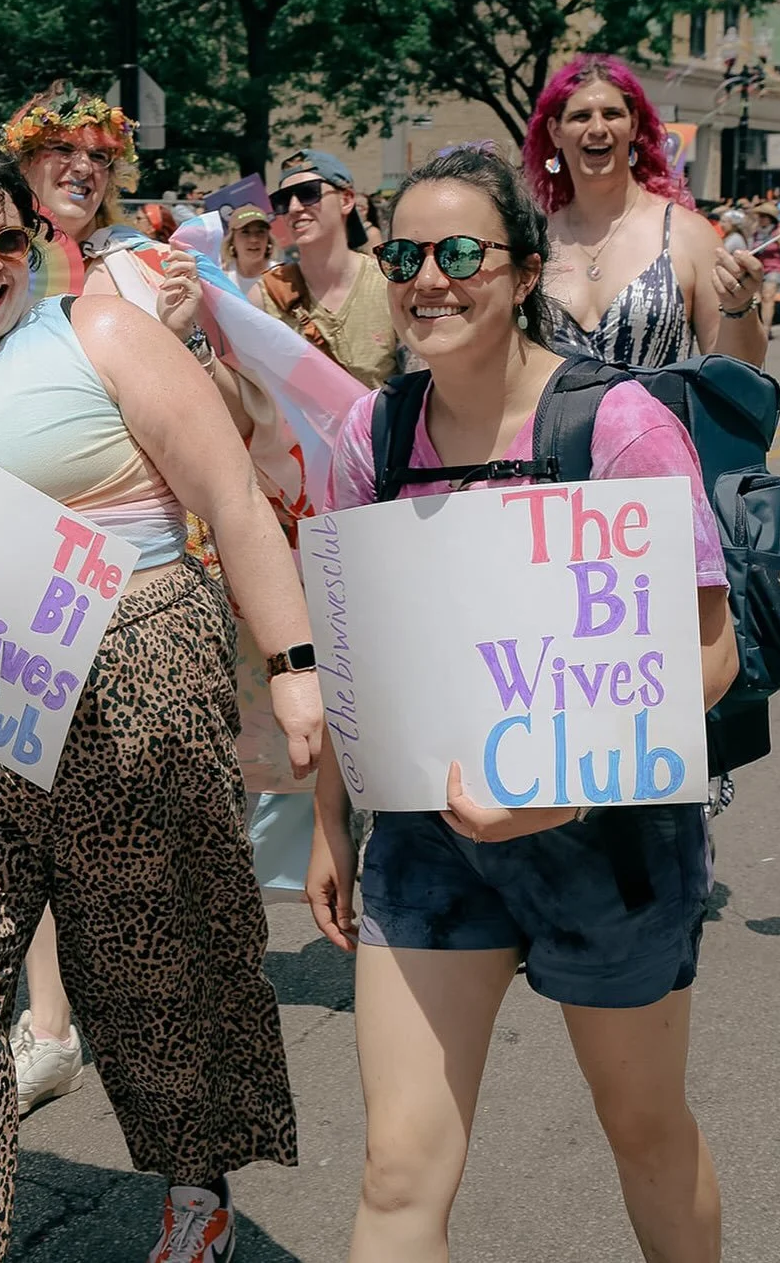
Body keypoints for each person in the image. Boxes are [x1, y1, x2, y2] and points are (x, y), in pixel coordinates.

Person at [0, 132, 322, 1263]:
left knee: (158, 958)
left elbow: (230, 497)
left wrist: (290, 670)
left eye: (8, 235)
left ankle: (196, 1187)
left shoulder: (96, 331)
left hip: (136, 699)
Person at [306, 145, 738, 1263]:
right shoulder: (373, 435)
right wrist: (327, 825)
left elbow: (709, 656)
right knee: (397, 1166)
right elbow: (354, 656)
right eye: (402, 254)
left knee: (642, 1130)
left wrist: (554, 785)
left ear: (523, 266)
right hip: (429, 844)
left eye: (460, 253)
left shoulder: (619, 427)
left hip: (611, 840)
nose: (426, 280)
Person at [523, 54, 767, 368]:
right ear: (556, 131)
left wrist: (740, 308)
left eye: (612, 114)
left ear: (634, 124)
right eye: (581, 116)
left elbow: (737, 373)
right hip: (549, 419)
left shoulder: (689, 234)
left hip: (661, 416)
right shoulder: (535, 242)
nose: (598, 128)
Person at [256, 148, 401, 388]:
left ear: (346, 200)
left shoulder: (390, 285)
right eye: (282, 200)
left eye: (307, 193)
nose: (294, 208)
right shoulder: (265, 295)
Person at [750, 201, 780, 335]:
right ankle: (758, 326)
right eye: (759, 216)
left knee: (768, 297)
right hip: (758, 268)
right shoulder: (756, 233)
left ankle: (766, 329)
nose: (761, 219)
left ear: (770, 218)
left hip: (774, 267)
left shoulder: (778, 232)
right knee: (756, 298)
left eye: (764, 216)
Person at [220, 204, 277, 295]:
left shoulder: (281, 277)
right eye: (245, 232)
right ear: (232, 240)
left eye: (260, 232)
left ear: (268, 239)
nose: (254, 240)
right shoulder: (221, 279)